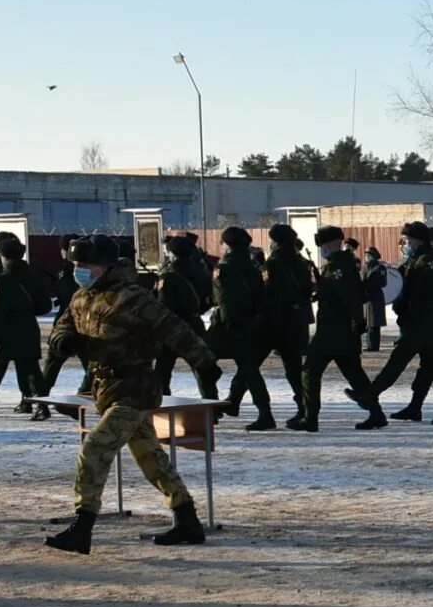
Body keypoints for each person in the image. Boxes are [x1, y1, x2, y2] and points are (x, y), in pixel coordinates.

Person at [41, 236, 222, 553]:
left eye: (86, 265)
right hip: (105, 389)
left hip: (135, 388)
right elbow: (61, 327)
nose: (79, 271)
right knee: (151, 457)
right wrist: (63, 341)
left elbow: (172, 328)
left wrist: (204, 360)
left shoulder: (133, 298)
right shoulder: (82, 298)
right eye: (76, 265)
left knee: (94, 449)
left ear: (106, 266)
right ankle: (187, 521)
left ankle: (81, 528)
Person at [296, 226, 384, 431]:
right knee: (354, 373)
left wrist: (358, 322)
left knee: (310, 371)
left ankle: (310, 418)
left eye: (322, 245)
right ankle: (376, 413)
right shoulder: (343, 264)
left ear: (329, 244)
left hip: (332, 329)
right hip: (342, 330)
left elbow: (350, 297)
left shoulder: (338, 268)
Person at [369, 222, 433, 420]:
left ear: (418, 240)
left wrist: (419, 300)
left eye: (408, 240)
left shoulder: (427, 261)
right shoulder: (416, 259)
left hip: (423, 323)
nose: (405, 244)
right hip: (420, 323)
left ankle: (370, 394)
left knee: (397, 361)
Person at [0, 230, 51, 416]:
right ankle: (42, 406)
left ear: (2, 257)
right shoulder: (33, 276)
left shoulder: (0, 281)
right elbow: (44, 305)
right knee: (32, 370)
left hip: (5, 332)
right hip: (28, 329)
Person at [211, 226, 278, 431]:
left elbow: (225, 298)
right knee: (248, 368)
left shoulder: (226, 266)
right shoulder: (251, 266)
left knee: (204, 361)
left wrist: (230, 322)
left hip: (230, 324)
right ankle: (241, 406)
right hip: (249, 322)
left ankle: (214, 406)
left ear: (227, 245)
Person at [263, 223, 314, 423]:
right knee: (294, 366)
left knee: (289, 368)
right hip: (299, 317)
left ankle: (302, 407)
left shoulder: (274, 262)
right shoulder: (302, 261)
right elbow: (308, 289)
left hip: (280, 319)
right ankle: (304, 406)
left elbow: (270, 292)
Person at [153, 233, 210, 397]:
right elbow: (209, 298)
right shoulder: (202, 272)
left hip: (172, 327)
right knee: (200, 367)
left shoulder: (168, 275)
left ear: (171, 253)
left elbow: (164, 304)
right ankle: (211, 405)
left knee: (162, 370)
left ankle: (161, 403)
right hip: (195, 322)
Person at [362, 243, 390, 353]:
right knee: (368, 323)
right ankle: (370, 344)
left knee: (374, 323)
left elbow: (383, 282)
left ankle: (374, 346)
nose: (367, 257)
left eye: (369, 254)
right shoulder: (366, 267)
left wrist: (371, 284)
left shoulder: (380, 267)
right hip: (367, 297)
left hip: (375, 297)